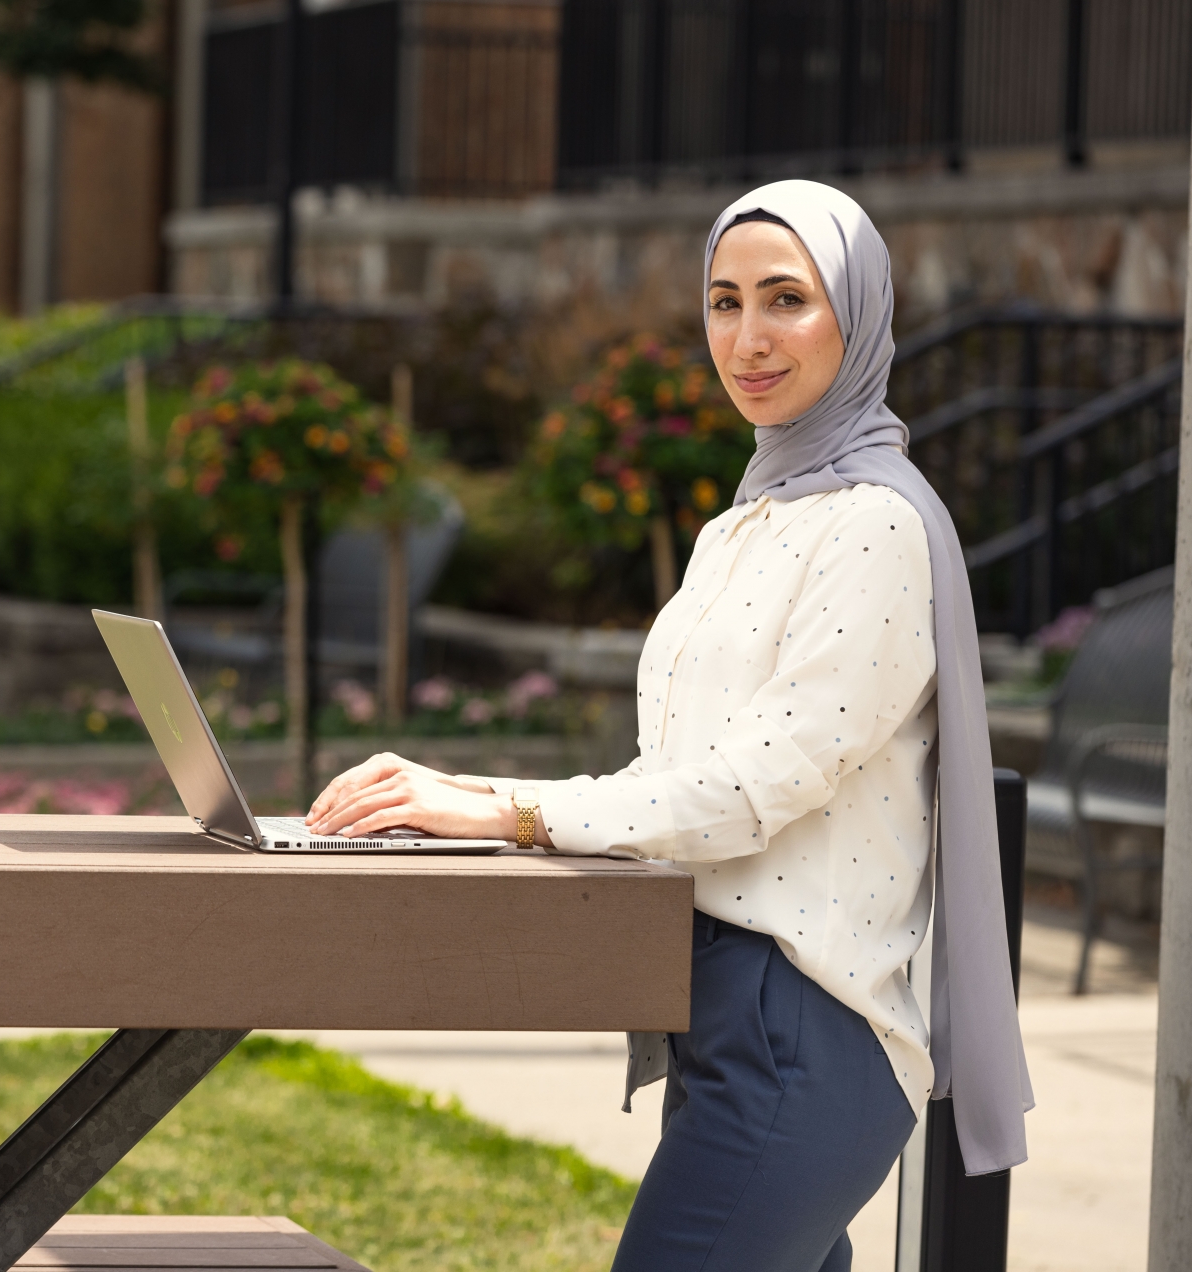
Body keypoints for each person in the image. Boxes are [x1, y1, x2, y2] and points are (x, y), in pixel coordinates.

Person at [305, 180, 1031, 1271]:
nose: (746, 337)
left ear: (859, 312)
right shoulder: (741, 524)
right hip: (715, 1014)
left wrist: (504, 809)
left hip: (801, 1029)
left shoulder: (877, 524)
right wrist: (464, 796)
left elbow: (750, 788)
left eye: (785, 298)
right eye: (722, 300)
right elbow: (673, 778)